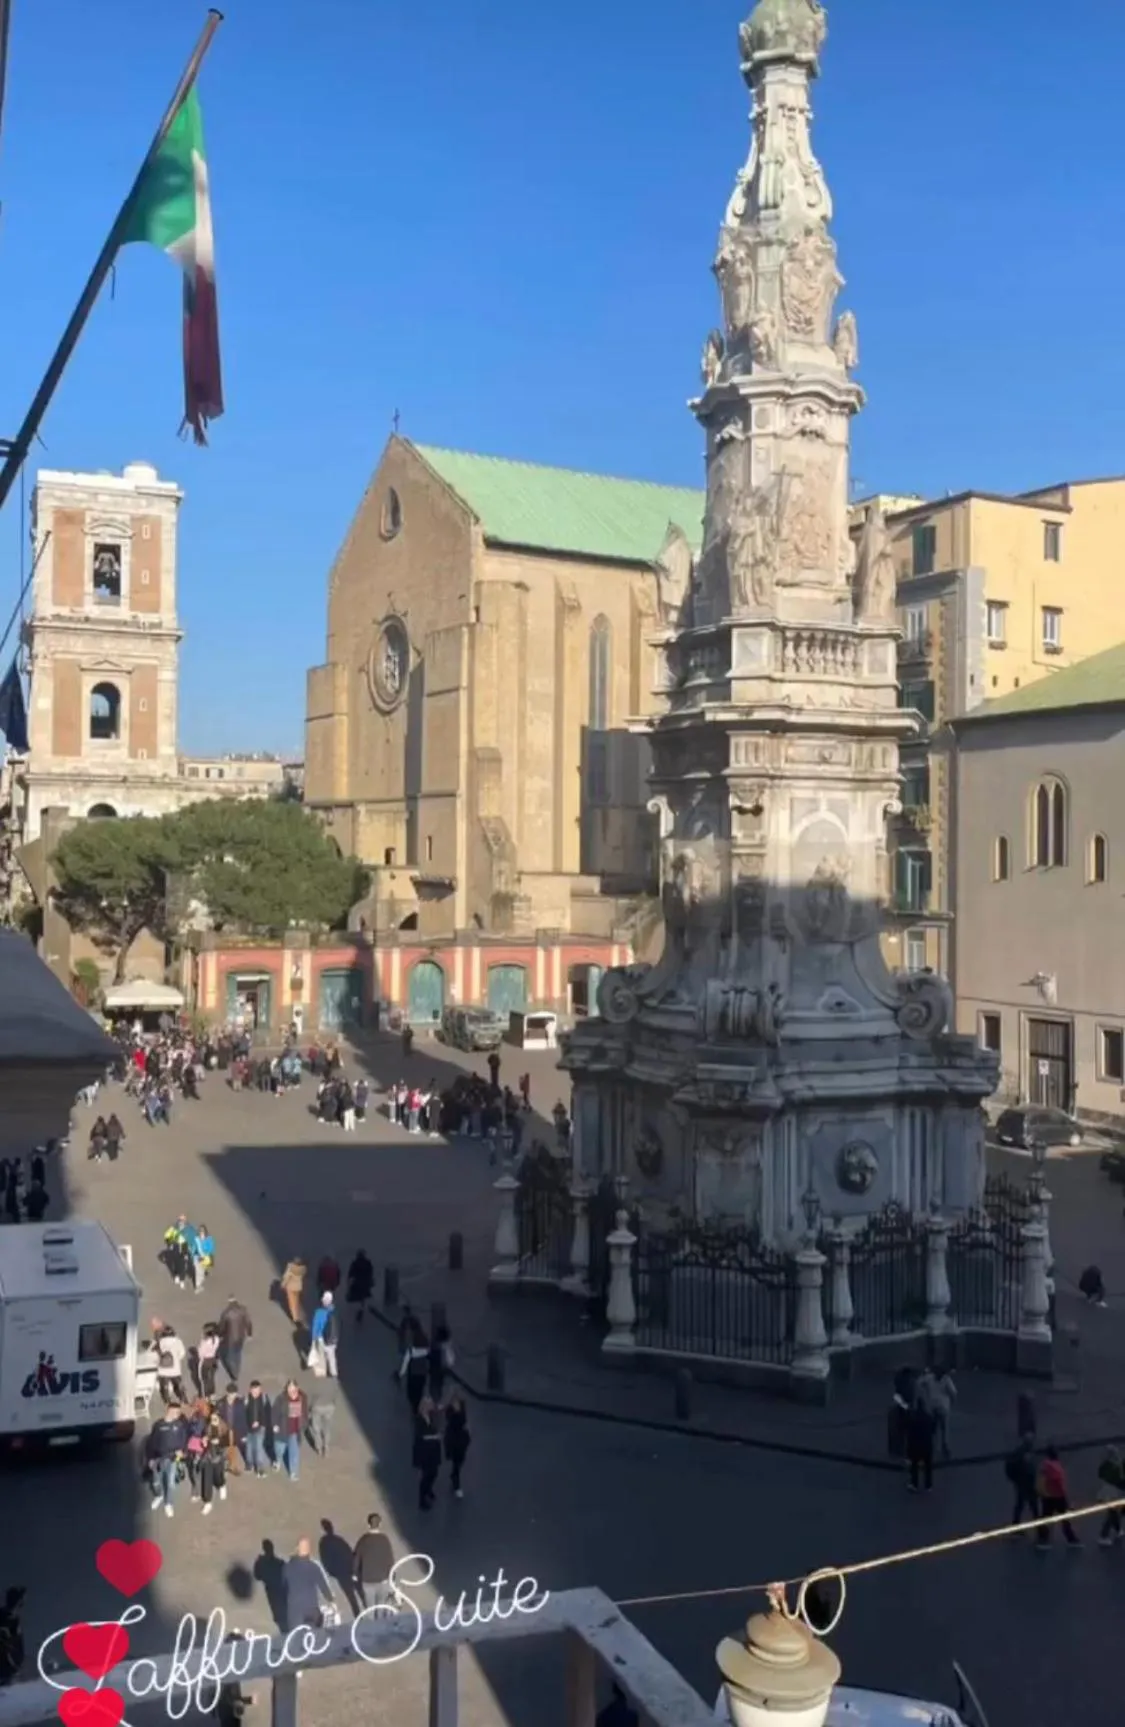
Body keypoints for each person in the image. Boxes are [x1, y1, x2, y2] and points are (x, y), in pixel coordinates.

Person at [282, 1538, 335, 1632]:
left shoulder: (287, 1567)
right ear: (309, 1550)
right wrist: (331, 1600)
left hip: (295, 1610)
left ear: (297, 1549)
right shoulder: (313, 1567)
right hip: (312, 1609)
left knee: (296, 1638)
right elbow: (323, 1587)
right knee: (313, 1637)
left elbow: (283, 1585)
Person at [147, 1401, 188, 1518]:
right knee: (156, 1482)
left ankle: (168, 1503)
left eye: (179, 1412)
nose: (178, 1414)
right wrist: (150, 1458)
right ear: (169, 1410)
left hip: (173, 1458)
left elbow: (183, 1440)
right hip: (158, 1458)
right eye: (176, 1412)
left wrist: (182, 1452)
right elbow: (151, 1443)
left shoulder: (179, 1425)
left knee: (170, 1482)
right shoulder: (158, 1425)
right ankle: (159, 1495)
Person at [1036, 1446, 1081, 1548]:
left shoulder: (1044, 1466)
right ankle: (1071, 1539)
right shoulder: (1057, 1467)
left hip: (1047, 1496)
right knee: (1064, 1519)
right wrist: (1066, 1498)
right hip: (1058, 1496)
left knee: (1046, 1518)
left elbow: (1041, 1479)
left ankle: (1043, 1540)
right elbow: (1060, 1484)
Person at [352, 1513, 394, 1609]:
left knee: (369, 1607)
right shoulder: (384, 1540)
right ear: (380, 1524)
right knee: (381, 1605)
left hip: (367, 1579)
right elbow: (390, 1559)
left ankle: (371, 1623)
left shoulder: (363, 1540)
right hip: (383, 1579)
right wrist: (392, 1577)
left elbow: (357, 1558)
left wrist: (355, 1573)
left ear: (368, 1525)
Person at [273, 1379, 309, 1481]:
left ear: (297, 1388)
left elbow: (305, 1412)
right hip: (282, 1428)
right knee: (279, 1449)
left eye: (293, 1388)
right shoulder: (281, 1399)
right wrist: (275, 1424)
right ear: (286, 1388)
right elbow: (274, 1412)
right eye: (289, 1388)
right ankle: (278, 1460)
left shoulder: (302, 1398)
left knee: (294, 1452)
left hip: (295, 1430)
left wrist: (304, 1423)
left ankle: (293, 1472)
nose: (291, 1390)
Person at [413, 1396, 443, 1511]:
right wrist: (435, 1436)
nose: (431, 1406)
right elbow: (421, 1436)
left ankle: (429, 1489)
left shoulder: (432, 1416)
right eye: (429, 1404)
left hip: (433, 1450)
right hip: (424, 1451)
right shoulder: (419, 1419)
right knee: (426, 1475)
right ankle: (422, 1499)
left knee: (434, 1473)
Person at [1005, 1434, 1039, 1527]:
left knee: (1024, 1504)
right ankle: (1039, 1527)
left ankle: (1016, 1524)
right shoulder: (1022, 1453)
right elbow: (1027, 1468)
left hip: (1025, 1483)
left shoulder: (1024, 1452)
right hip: (1024, 1483)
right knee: (1030, 1504)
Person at [218, 1296, 253, 1384]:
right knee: (238, 1353)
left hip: (230, 1338)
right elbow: (248, 1322)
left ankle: (234, 1374)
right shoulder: (243, 1310)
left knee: (230, 1356)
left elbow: (222, 1326)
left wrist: (220, 1335)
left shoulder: (226, 1313)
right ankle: (237, 1368)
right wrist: (249, 1334)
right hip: (241, 1336)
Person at [243, 1380, 273, 1478]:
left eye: (257, 1390)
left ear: (260, 1390)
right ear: (250, 1390)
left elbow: (267, 1413)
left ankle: (260, 1468)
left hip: (260, 1428)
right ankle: (249, 1464)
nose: (255, 1393)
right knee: (249, 1447)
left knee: (259, 1448)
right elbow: (243, 1414)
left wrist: (261, 1423)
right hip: (248, 1428)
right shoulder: (246, 1400)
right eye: (253, 1390)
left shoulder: (264, 1399)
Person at [398, 1320, 430, 1412]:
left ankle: (415, 1407)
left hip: (413, 1375)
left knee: (411, 1392)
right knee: (419, 1391)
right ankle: (418, 1407)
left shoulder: (411, 1351)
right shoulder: (426, 1350)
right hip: (422, 1374)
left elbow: (405, 1363)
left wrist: (401, 1374)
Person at [905, 1399, 936, 1493]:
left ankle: (914, 1484)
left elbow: (910, 1435)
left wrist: (908, 1451)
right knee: (928, 1466)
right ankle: (928, 1485)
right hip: (927, 1445)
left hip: (916, 1446)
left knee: (914, 1465)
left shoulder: (913, 1418)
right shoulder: (929, 1417)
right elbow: (933, 1430)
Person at [444, 1393, 471, 1499]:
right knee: (456, 1463)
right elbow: (450, 1421)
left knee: (460, 1460)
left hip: (461, 1438)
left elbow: (464, 1421)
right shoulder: (450, 1410)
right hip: (454, 1439)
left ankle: (454, 1476)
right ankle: (456, 1484)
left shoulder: (463, 1407)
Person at [1096, 1444, 1124, 1545]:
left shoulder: (1104, 1466)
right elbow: (1119, 1480)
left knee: (1114, 1513)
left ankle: (1118, 1530)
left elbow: (1100, 1475)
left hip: (1106, 1491)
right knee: (1111, 1514)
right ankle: (1103, 1536)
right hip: (1111, 1493)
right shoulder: (1114, 1467)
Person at [310, 1292, 340, 1378]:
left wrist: (313, 1338)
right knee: (331, 1355)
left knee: (321, 1354)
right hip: (333, 1338)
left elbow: (315, 1327)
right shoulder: (336, 1312)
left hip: (322, 1337)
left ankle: (322, 1371)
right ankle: (333, 1371)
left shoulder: (319, 1312)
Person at [156, 1327, 187, 1407]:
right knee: (178, 1385)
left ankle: (167, 1401)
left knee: (164, 1386)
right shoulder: (178, 1341)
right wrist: (177, 1359)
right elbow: (182, 1353)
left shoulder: (160, 1341)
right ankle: (182, 1399)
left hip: (163, 1369)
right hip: (175, 1369)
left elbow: (157, 1354)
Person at [346, 1250, 374, 1324]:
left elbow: (350, 1274)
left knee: (358, 1298)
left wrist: (349, 1283)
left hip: (357, 1284)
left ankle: (359, 1311)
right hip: (365, 1284)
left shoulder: (354, 1263)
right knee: (363, 1298)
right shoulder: (368, 1263)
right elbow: (370, 1273)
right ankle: (361, 1310)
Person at [308, 1387, 337, 1458]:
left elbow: (313, 1396)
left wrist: (310, 1408)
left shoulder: (316, 1381)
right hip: (329, 1407)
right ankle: (326, 1447)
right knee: (327, 1428)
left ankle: (319, 1448)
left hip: (317, 1407)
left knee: (316, 1428)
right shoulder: (332, 1379)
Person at [280, 1257, 307, 1326]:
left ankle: (295, 1318)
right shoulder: (303, 1269)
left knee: (291, 1302)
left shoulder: (290, 1267)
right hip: (298, 1286)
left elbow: (286, 1276)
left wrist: (283, 1284)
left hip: (290, 1287)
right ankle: (298, 1314)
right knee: (296, 1301)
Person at [197, 1324, 221, 1400]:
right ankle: (212, 1394)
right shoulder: (216, 1339)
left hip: (205, 1361)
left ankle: (206, 1395)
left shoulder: (205, 1342)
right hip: (213, 1360)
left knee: (204, 1379)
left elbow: (200, 1353)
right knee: (211, 1378)